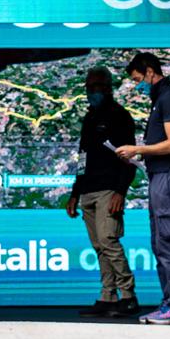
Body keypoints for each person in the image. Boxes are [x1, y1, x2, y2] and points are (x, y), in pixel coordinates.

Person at [116, 52, 170, 325]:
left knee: (167, 239)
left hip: (168, 177)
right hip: (160, 176)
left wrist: (138, 149)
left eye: (138, 79)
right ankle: (169, 303)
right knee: (159, 240)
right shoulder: (160, 98)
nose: (137, 85)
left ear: (149, 71)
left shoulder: (168, 97)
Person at [66, 67, 139, 318]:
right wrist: (75, 193)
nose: (91, 92)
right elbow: (83, 157)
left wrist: (120, 191)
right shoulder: (90, 117)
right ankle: (108, 296)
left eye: (95, 87)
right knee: (99, 246)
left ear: (107, 88)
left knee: (109, 241)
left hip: (109, 189)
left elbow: (129, 157)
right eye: (88, 87)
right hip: (88, 189)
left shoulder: (120, 116)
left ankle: (128, 295)